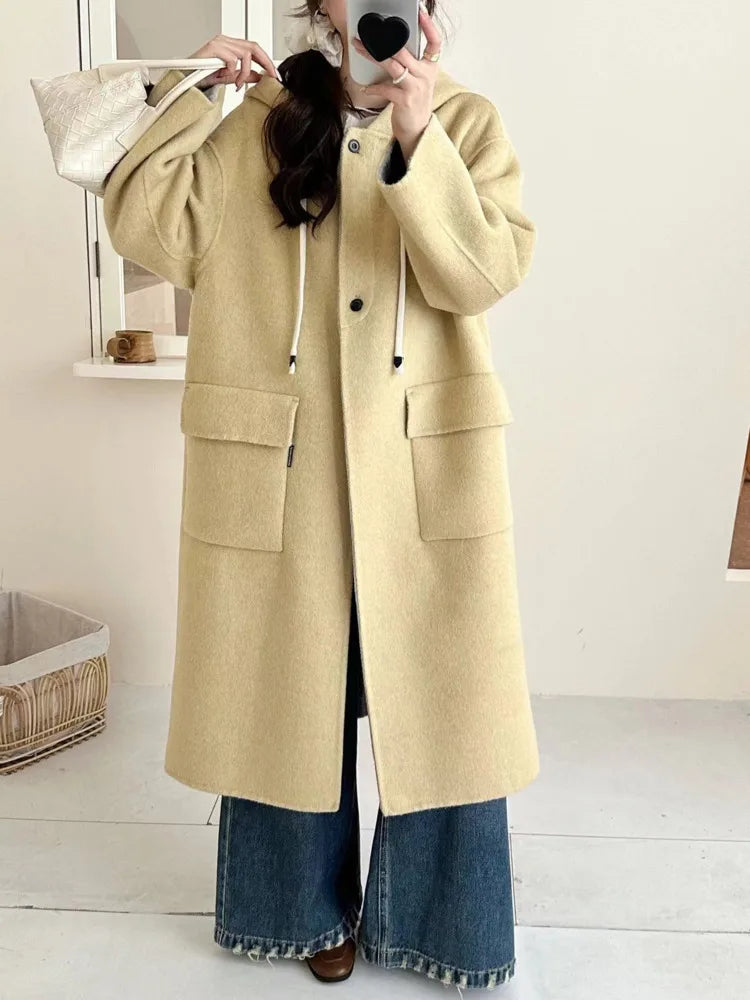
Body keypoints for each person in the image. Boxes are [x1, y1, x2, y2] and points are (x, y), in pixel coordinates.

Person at [102, 0, 540, 989]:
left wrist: (419, 139)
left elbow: (483, 275)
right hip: (283, 465)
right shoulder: (260, 121)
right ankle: (295, 914)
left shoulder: (466, 122)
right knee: (282, 693)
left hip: (422, 464)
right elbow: (148, 227)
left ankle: (444, 926)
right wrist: (184, 94)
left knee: (449, 700)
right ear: (322, 9)